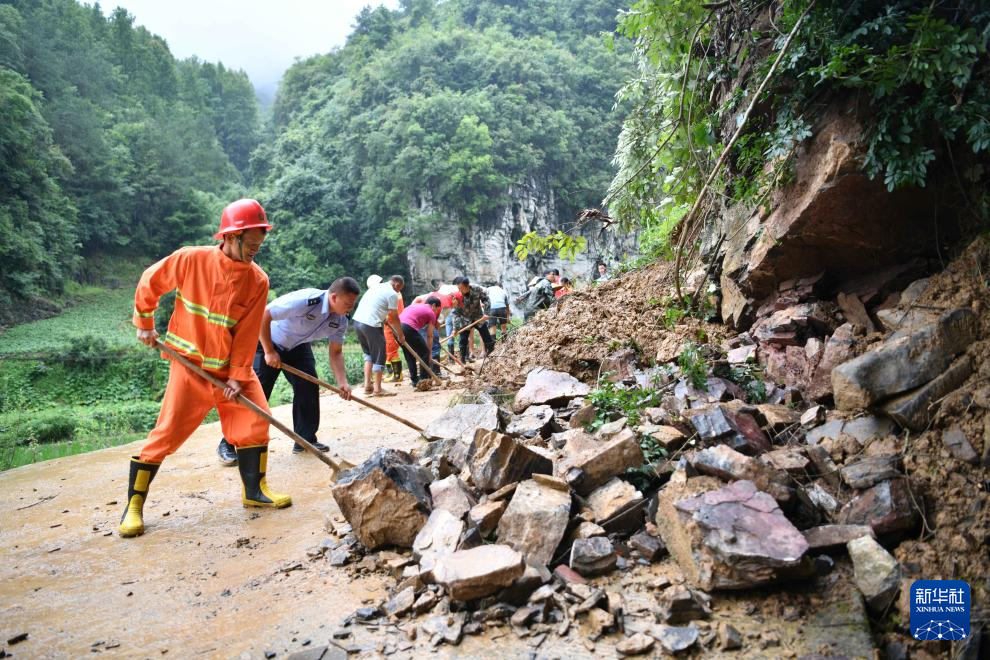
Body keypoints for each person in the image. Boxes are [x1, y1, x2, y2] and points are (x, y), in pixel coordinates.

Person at [121, 199, 290, 538]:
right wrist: (144, 321)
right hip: (190, 368)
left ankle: (255, 492)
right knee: (167, 434)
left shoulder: (257, 281)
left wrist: (239, 376)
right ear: (232, 235)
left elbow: (245, 334)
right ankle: (134, 507)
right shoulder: (190, 259)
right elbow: (149, 282)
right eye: (252, 242)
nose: (257, 248)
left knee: (256, 419)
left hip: (229, 371)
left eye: (261, 242)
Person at [215, 277, 360, 465]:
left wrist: (342, 382)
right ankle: (227, 443)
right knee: (256, 392)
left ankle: (304, 440)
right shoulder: (305, 301)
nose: (350, 307)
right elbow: (263, 315)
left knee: (308, 385)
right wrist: (269, 351)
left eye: (352, 303)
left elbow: (336, 353)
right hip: (267, 340)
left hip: (298, 347)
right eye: (348, 303)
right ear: (333, 297)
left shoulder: (340, 321)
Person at [351, 274, 404, 396]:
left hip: (358, 322)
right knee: (380, 355)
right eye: (400, 288)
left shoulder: (375, 288)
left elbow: (375, 306)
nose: (399, 291)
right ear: (396, 284)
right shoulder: (392, 293)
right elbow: (394, 317)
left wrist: (382, 318)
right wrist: (401, 335)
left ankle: (367, 386)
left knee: (369, 354)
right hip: (371, 325)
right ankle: (378, 389)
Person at [398, 296, 442, 385]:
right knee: (424, 352)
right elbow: (430, 335)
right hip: (408, 328)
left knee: (409, 355)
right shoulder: (431, 312)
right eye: (437, 309)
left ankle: (415, 380)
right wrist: (429, 353)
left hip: (396, 329)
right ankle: (424, 380)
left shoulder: (416, 306)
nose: (436, 312)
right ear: (433, 305)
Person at [452, 276, 494, 361]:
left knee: (487, 338)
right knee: (463, 340)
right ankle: (463, 360)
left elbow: (486, 300)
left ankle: (492, 357)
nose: (459, 290)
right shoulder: (457, 295)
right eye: (458, 288)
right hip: (465, 320)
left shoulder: (477, 289)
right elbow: (456, 313)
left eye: (460, 288)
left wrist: (486, 313)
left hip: (478, 317)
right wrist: (455, 328)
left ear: (466, 285)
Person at [383, 281, 405, 383]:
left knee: (391, 349)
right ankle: (392, 373)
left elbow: (393, 312)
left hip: (391, 324)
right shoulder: (393, 292)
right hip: (391, 323)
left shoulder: (392, 293)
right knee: (389, 349)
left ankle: (397, 375)